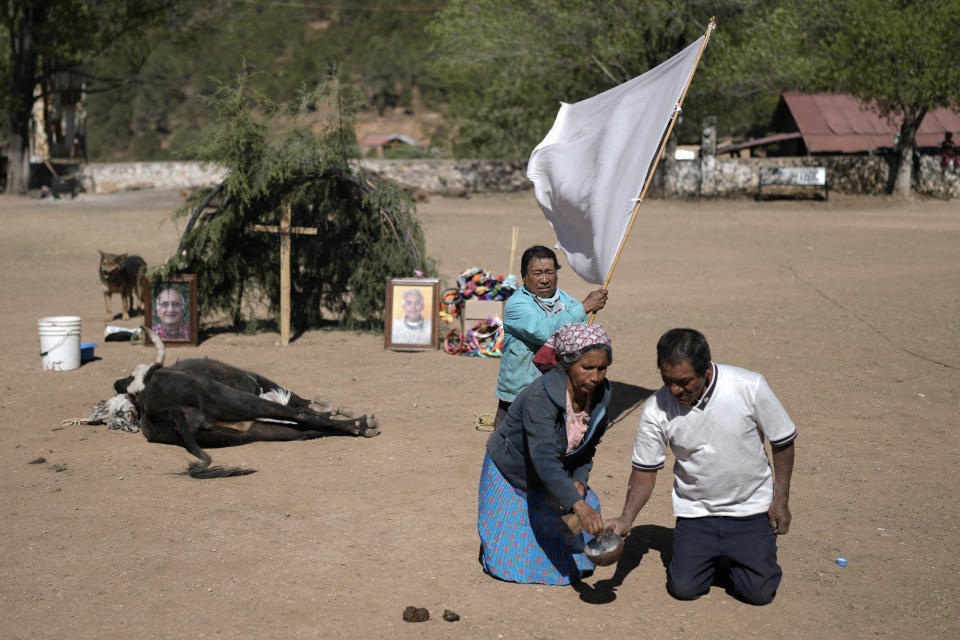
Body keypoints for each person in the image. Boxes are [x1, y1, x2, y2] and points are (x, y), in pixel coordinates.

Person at [605, 328, 796, 605]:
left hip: (750, 509)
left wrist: (780, 500)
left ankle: (740, 553)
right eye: (667, 380)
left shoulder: (748, 386)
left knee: (758, 594)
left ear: (706, 369)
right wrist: (626, 519)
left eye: (684, 382)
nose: (674, 390)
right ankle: (712, 553)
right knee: (684, 589)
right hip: (697, 513)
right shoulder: (656, 408)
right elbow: (645, 472)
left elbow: (783, 441)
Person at [479, 322, 614, 585]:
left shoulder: (600, 399)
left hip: (553, 472)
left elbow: (587, 451)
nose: (596, 376)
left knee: (574, 531)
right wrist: (577, 504)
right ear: (567, 364)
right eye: (587, 368)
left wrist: (579, 481)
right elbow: (543, 457)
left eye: (602, 368)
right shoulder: (541, 397)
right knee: (512, 561)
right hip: (514, 470)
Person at [494, 245, 608, 427]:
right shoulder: (517, 305)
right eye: (537, 273)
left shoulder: (568, 302)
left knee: (550, 447)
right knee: (505, 449)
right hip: (519, 393)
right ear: (524, 277)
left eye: (550, 272)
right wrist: (585, 307)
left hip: (555, 392)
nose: (545, 279)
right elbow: (543, 331)